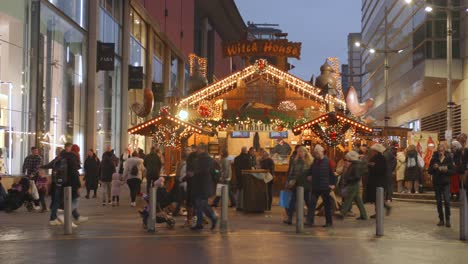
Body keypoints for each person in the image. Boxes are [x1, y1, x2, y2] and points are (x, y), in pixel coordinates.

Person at [49, 143, 87, 226]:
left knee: (62, 200)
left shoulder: (62, 157)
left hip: (61, 182)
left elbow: (51, 165)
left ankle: (73, 217)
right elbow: (74, 172)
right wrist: (78, 185)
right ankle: (64, 216)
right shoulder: (71, 158)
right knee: (73, 199)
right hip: (69, 183)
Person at [306, 144, 336, 227]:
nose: (316, 155)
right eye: (315, 153)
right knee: (312, 204)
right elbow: (310, 171)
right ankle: (310, 221)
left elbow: (332, 174)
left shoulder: (328, 161)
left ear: (322, 152)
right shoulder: (315, 161)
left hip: (325, 187)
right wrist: (309, 176)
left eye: (317, 153)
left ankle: (329, 222)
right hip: (315, 186)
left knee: (327, 205)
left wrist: (332, 184)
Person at [190, 143, 217, 230]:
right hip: (203, 185)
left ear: (202, 149)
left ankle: (212, 217)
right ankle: (200, 223)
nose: (197, 150)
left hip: (202, 185)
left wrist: (194, 173)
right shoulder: (205, 159)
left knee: (201, 204)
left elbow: (203, 171)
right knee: (199, 205)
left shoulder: (203, 160)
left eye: (198, 148)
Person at [284, 146, 313, 225]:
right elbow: (291, 172)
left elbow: (312, 172)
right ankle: (289, 218)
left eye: (301, 152)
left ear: (305, 152)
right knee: (292, 201)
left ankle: (310, 219)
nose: (300, 153)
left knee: (308, 201)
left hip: (306, 184)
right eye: (298, 152)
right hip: (296, 183)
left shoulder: (310, 161)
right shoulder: (295, 161)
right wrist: (289, 181)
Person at [336, 151, 368, 220]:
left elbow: (356, 176)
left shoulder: (355, 165)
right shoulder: (355, 164)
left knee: (348, 199)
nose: (347, 159)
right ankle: (364, 215)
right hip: (354, 184)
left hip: (353, 184)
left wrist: (348, 178)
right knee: (358, 201)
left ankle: (342, 213)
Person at [428, 144, 454, 227]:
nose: (440, 152)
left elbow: (453, 171)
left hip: (446, 183)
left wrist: (446, 170)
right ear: (437, 151)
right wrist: (434, 168)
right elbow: (429, 171)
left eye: (442, 150)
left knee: (447, 201)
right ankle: (441, 219)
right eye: (439, 150)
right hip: (437, 183)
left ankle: (448, 219)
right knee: (439, 202)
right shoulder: (434, 159)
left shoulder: (448, 158)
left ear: (444, 151)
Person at [366, 143, 392, 218]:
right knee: (376, 198)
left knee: (378, 198)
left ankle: (380, 212)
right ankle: (378, 212)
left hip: (379, 181)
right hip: (375, 181)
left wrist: (372, 166)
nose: (372, 152)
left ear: (376, 151)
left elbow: (381, 169)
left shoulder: (381, 158)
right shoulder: (375, 157)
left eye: (373, 150)